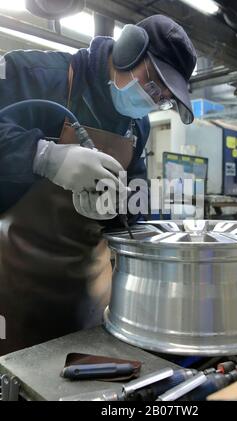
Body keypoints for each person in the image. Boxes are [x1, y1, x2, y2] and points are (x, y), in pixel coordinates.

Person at [0, 14, 197, 355]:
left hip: (87, 295)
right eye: (153, 86)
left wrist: (117, 209)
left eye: (161, 98)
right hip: (15, 285)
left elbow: (134, 206)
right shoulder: (35, 76)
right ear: (127, 51)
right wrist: (43, 156)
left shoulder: (138, 126)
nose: (151, 102)